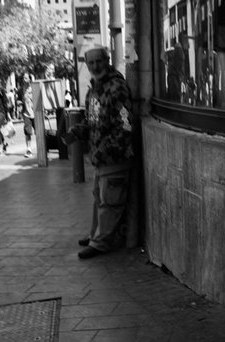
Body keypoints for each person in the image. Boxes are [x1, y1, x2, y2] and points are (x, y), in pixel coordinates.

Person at [71, 46, 134, 260]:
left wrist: (107, 149)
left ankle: (101, 242)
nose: (95, 66)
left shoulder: (116, 87)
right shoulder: (94, 89)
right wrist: (78, 131)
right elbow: (93, 120)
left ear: (107, 61)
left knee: (110, 202)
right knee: (100, 199)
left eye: (99, 61)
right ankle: (95, 236)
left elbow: (125, 125)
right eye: (91, 63)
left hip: (114, 158)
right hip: (100, 159)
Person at [19, 72, 35, 158]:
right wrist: (19, 103)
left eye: (26, 78)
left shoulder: (35, 88)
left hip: (36, 113)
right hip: (26, 113)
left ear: (30, 79)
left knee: (39, 132)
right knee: (27, 132)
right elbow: (19, 100)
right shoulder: (21, 89)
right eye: (23, 78)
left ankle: (43, 148)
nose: (24, 80)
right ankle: (29, 149)